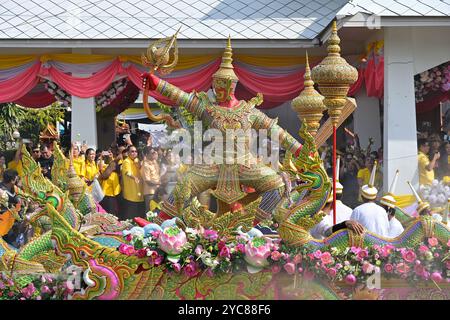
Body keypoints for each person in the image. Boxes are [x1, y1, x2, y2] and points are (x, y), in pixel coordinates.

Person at [350, 161, 390, 237]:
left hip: (366, 246)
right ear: (375, 197)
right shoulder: (383, 210)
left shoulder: (358, 210)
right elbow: (387, 228)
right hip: (383, 246)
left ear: (362, 197)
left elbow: (352, 231)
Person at [120, 145, 144, 219]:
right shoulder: (126, 161)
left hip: (139, 194)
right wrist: (134, 177)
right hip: (130, 195)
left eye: (135, 151)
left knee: (139, 217)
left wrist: (139, 164)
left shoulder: (137, 161)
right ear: (128, 153)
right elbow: (127, 173)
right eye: (132, 151)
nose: (134, 153)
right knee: (131, 218)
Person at [379, 170, 404, 238]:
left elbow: (388, 242)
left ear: (389, 211)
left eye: (382, 209)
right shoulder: (386, 221)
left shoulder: (395, 225)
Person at [98, 149, 121, 216]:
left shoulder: (112, 173)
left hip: (104, 196)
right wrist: (101, 157)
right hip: (110, 198)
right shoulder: (109, 172)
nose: (109, 154)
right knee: (111, 216)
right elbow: (116, 191)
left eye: (110, 152)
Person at [141, 147, 161, 213]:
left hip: (157, 191)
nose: (154, 153)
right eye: (152, 153)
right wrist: (159, 183)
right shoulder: (145, 165)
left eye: (155, 152)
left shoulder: (155, 162)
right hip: (150, 193)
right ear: (147, 155)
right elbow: (147, 181)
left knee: (157, 212)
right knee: (150, 213)